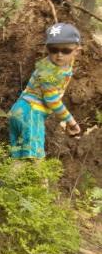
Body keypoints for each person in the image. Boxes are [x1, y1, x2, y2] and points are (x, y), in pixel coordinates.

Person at [8, 22, 82, 160]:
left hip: (20, 110)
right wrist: (71, 121)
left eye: (66, 50)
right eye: (54, 49)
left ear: (77, 51)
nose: (59, 55)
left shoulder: (64, 64)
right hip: (30, 113)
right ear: (47, 49)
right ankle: (42, 182)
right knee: (36, 159)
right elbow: (52, 101)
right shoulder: (47, 73)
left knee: (18, 159)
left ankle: (3, 182)